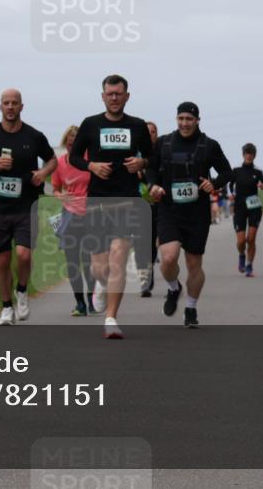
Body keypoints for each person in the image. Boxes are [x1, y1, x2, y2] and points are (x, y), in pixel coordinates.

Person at [68, 74, 153, 339]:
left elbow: (151, 156)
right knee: (99, 268)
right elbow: (73, 157)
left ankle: (111, 318)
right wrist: (91, 165)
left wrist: (143, 163)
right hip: (97, 201)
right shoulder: (90, 124)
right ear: (103, 96)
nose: (114, 98)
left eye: (119, 93)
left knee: (118, 254)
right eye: (110, 94)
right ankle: (102, 286)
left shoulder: (137, 126)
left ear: (127, 96)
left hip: (127, 200)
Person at [0, 89, 57, 325]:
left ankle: (21, 290)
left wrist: (43, 173)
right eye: (6, 103)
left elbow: (52, 160)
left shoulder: (33, 136)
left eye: (14, 103)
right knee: (2, 259)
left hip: (26, 206)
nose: (10, 107)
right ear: (0, 107)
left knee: (24, 254)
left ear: (21, 107)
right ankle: (6, 307)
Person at [147, 102, 232, 328]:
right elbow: (151, 169)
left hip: (197, 212)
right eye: (181, 118)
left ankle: (191, 308)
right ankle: (174, 288)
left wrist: (212, 183)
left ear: (197, 121)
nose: (185, 123)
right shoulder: (164, 143)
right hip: (169, 209)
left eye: (189, 119)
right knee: (167, 258)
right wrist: (153, 185)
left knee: (194, 263)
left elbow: (226, 171)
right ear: (176, 119)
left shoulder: (209, 145)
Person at [51, 125, 96, 316]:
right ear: (65, 144)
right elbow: (55, 188)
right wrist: (59, 196)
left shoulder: (90, 161)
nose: (71, 144)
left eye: (75, 140)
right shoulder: (60, 163)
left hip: (90, 215)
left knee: (87, 261)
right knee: (72, 262)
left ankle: (91, 299)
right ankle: (80, 303)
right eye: (69, 141)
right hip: (69, 215)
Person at [228, 143, 263, 277]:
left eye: (251, 153)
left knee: (251, 239)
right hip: (240, 208)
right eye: (247, 153)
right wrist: (232, 194)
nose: (249, 156)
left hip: (254, 208)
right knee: (241, 241)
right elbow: (230, 185)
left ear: (254, 155)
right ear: (243, 154)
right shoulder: (236, 171)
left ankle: (249, 265)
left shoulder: (258, 172)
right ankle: (241, 255)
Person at [135, 121, 159, 297]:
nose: (150, 134)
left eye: (153, 131)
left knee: (152, 242)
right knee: (140, 242)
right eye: (147, 131)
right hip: (138, 204)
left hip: (157, 203)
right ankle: (144, 279)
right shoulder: (135, 153)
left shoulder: (160, 152)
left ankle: (149, 272)